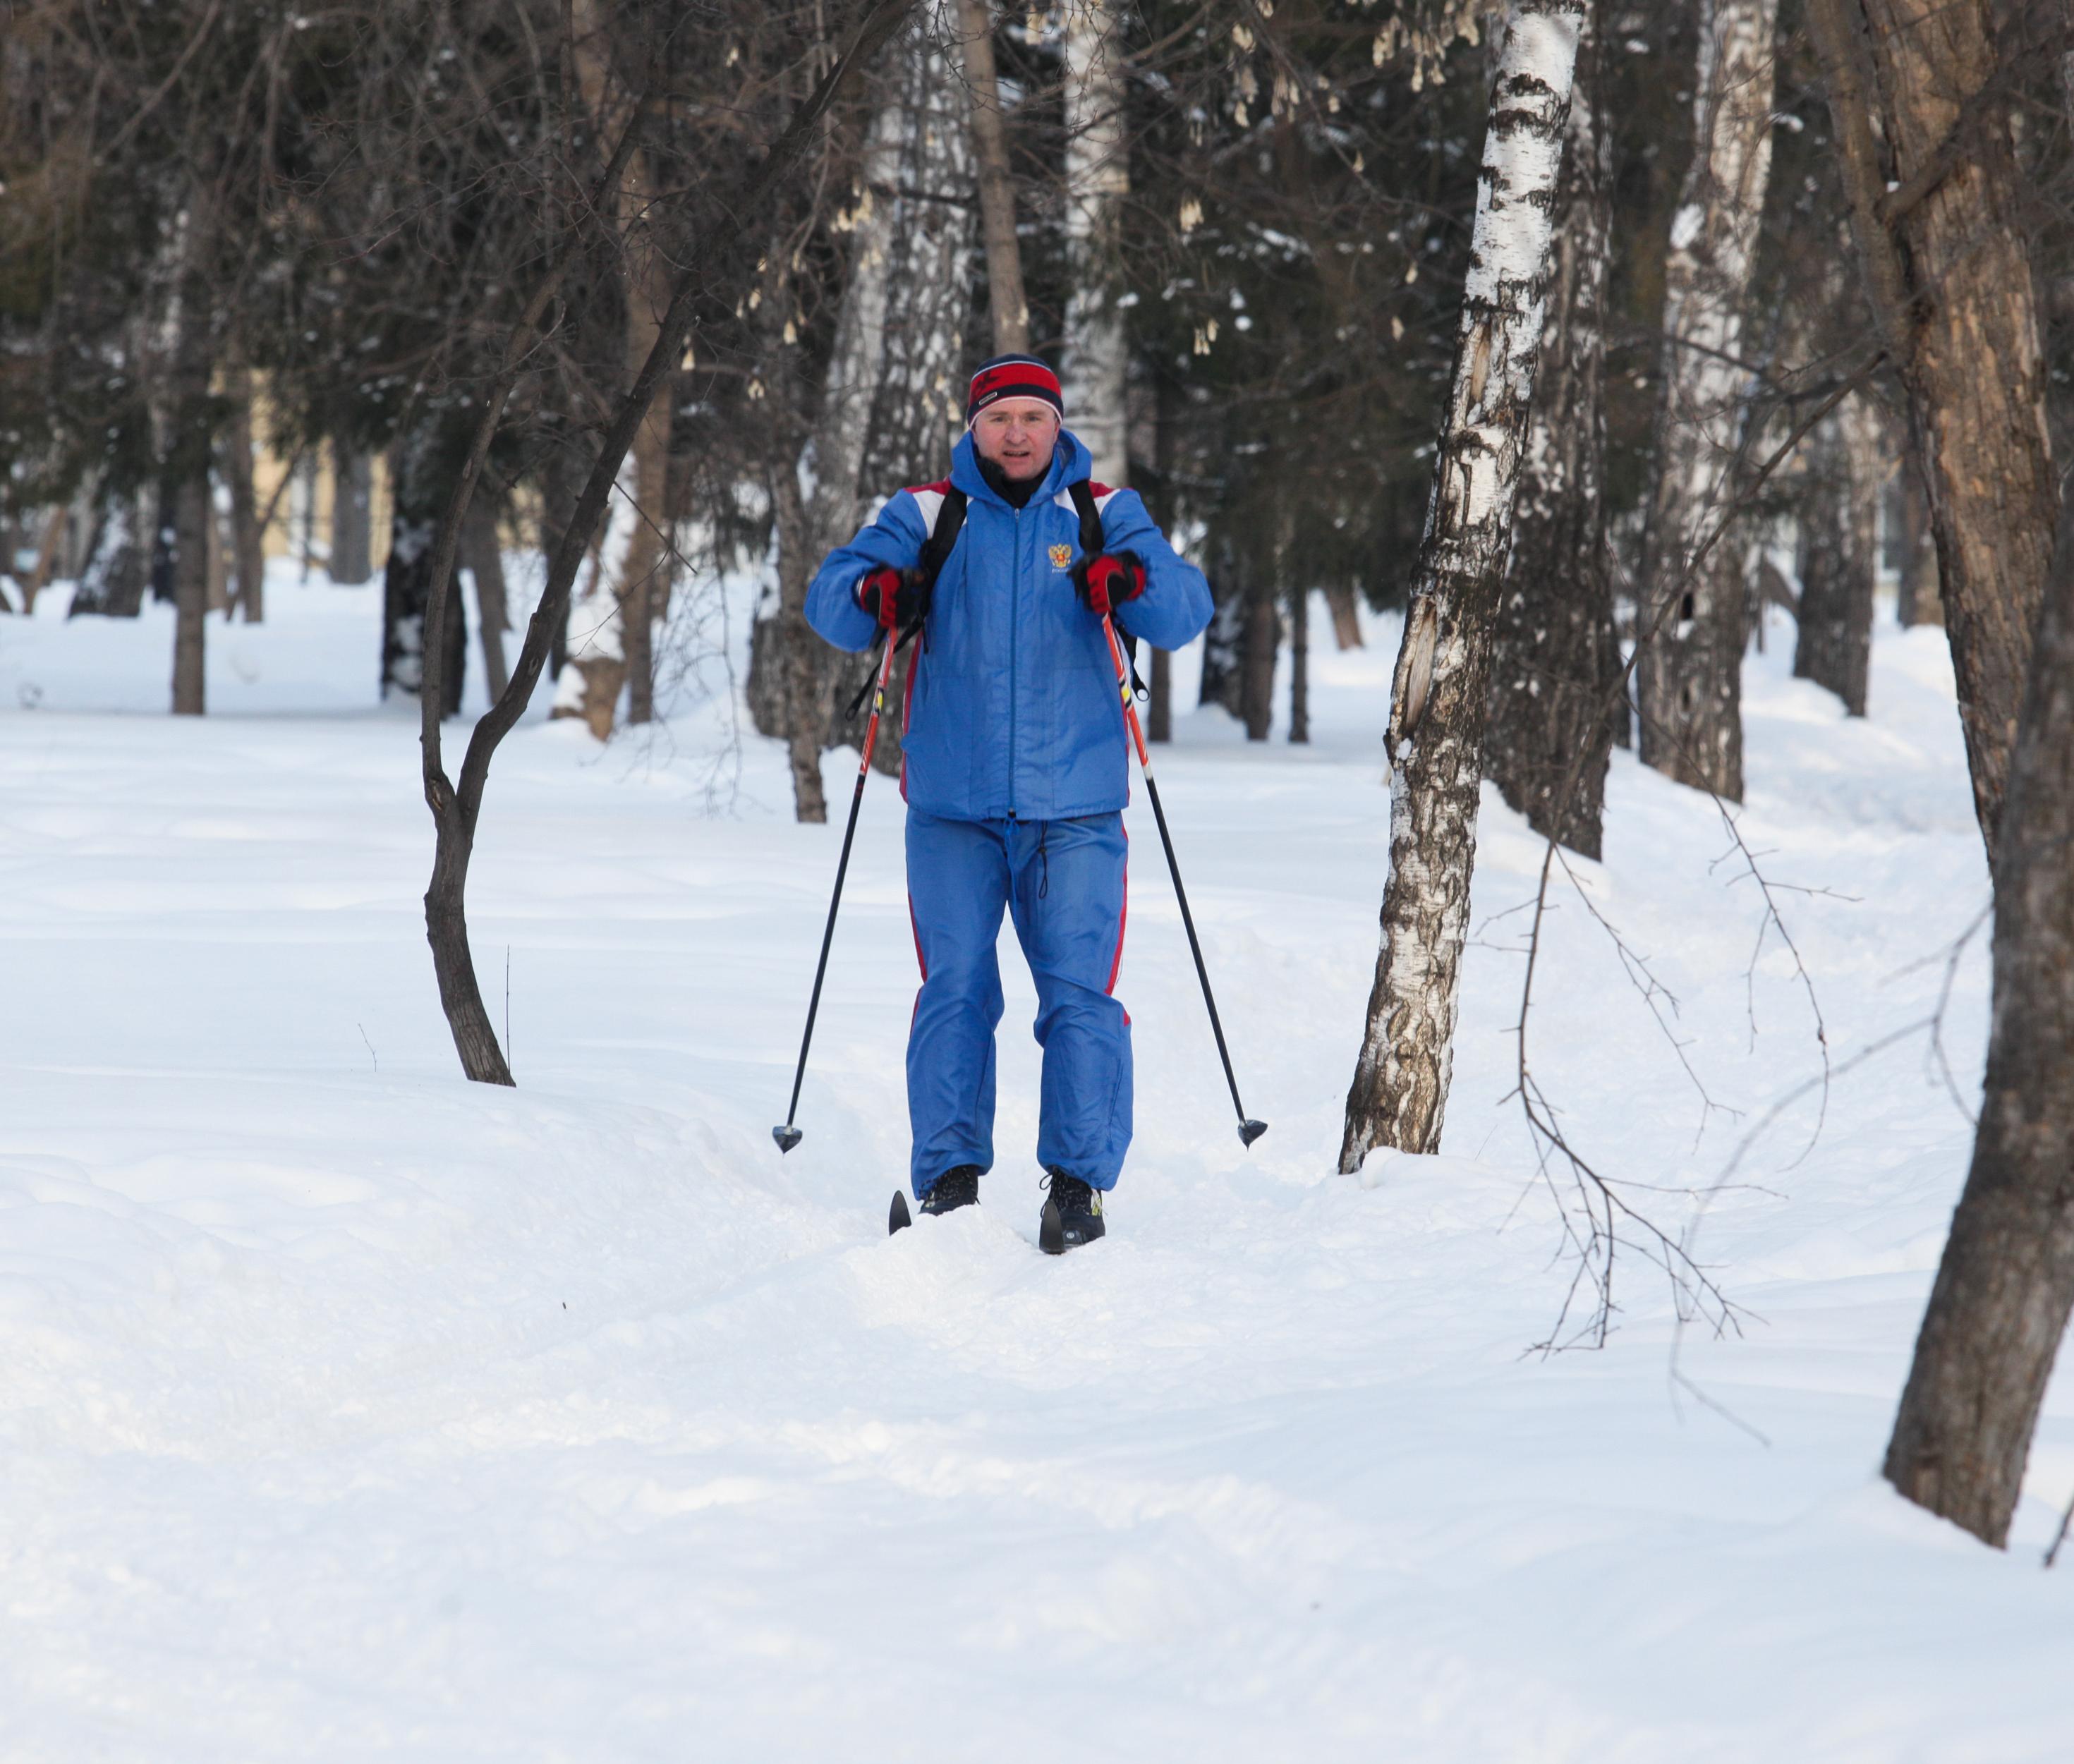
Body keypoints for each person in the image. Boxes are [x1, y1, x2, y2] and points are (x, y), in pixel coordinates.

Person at [806, 354, 1213, 1251]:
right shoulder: (925, 513)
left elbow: (1184, 611)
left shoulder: (1105, 511)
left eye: (1034, 416)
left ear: (1057, 425)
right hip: (953, 804)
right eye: (999, 419)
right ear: (973, 427)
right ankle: (949, 1179)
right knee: (954, 988)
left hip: (1076, 808)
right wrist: (875, 591)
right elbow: (833, 602)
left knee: (1078, 995)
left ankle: (1078, 1185)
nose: (1018, 434)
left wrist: (1134, 582)